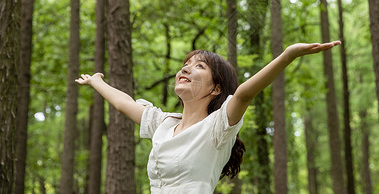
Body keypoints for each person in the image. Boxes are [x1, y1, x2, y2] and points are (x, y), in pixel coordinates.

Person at [76, 41, 340, 193]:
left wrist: (287, 55)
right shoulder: (164, 124)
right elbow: (124, 103)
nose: (186, 68)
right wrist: (96, 81)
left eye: (199, 66)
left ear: (215, 88)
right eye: (186, 64)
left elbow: (244, 95)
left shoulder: (217, 128)